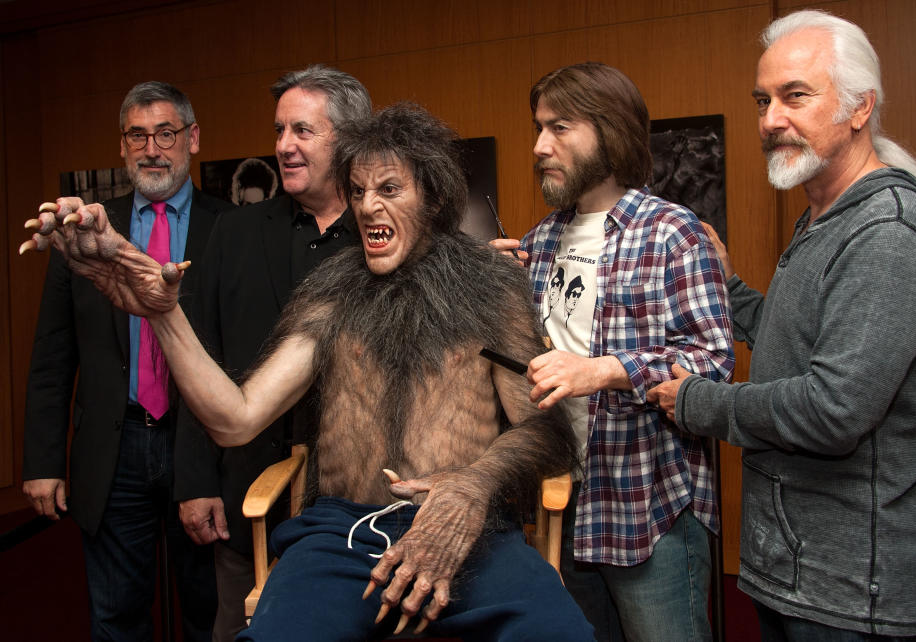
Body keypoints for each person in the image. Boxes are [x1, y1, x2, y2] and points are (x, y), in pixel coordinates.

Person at [25, 103, 594, 641]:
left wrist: (474, 487)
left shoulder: (493, 290)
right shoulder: (330, 295)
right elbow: (236, 420)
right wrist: (164, 314)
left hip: (468, 527)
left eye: (390, 189)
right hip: (342, 535)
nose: (369, 206)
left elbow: (544, 432)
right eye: (358, 191)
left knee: (561, 632)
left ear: (434, 198)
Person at [648, 10, 916, 639]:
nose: (770, 121)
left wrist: (695, 402)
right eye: (763, 100)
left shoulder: (888, 230)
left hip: (849, 594)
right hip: (798, 572)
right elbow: (801, 342)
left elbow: (833, 409)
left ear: (859, 108)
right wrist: (726, 288)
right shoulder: (826, 217)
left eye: (796, 96)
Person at [495, 62, 735, 641]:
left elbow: (713, 361)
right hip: (561, 498)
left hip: (646, 505)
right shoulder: (542, 239)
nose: (539, 146)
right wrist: (496, 287)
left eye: (559, 128)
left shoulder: (672, 233)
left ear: (608, 131)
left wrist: (606, 370)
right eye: (538, 128)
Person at [20, 81, 229, 641]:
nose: (152, 148)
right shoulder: (83, 232)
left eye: (166, 133)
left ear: (193, 138)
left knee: (209, 614)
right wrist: (42, 461)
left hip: (201, 442)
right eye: (138, 135)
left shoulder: (230, 227)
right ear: (122, 145)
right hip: (114, 450)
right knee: (116, 618)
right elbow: (52, 355)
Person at [173, 64, 371, 640]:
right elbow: (198, 354)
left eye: (302, 131)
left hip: (353, 501)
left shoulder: (381, 234)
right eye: (279, 130)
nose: (283, 146)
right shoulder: (232, 234)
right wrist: (195, 480)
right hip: (245, 490)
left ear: (349, 139)